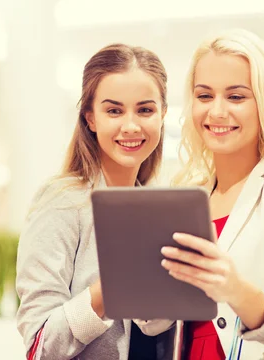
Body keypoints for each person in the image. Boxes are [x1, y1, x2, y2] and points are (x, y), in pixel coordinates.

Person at [155, 29, 264, 359]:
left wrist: (231, 287)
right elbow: (155, 324)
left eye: (235, 97)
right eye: (204, 96)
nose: (217, 112)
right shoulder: (188, 192)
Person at [16, 43, 175, 360]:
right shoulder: (63, 202)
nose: (131, 125)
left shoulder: (159, 206)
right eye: (114, 110)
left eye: (145, 110)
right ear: (90, 118)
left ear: (162, 115)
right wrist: (110, 289)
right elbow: (41, 344)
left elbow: (152, 330)